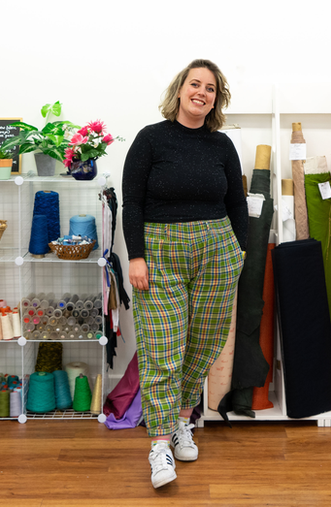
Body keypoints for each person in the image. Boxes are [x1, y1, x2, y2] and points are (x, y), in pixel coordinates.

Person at [122, 59, 247, 489]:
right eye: (195, 84)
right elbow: (132, 203)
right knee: (162, 348)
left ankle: (180, 422)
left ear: (216, 98)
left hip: (217, 250)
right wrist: (135, 256)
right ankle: (158, 446)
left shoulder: (222, 145)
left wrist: (240, 251)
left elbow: (237, 204)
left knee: (203, 343)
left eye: (210, 88)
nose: (202, 93)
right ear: (180, 90)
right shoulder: (151, 140)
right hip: (159, 252)